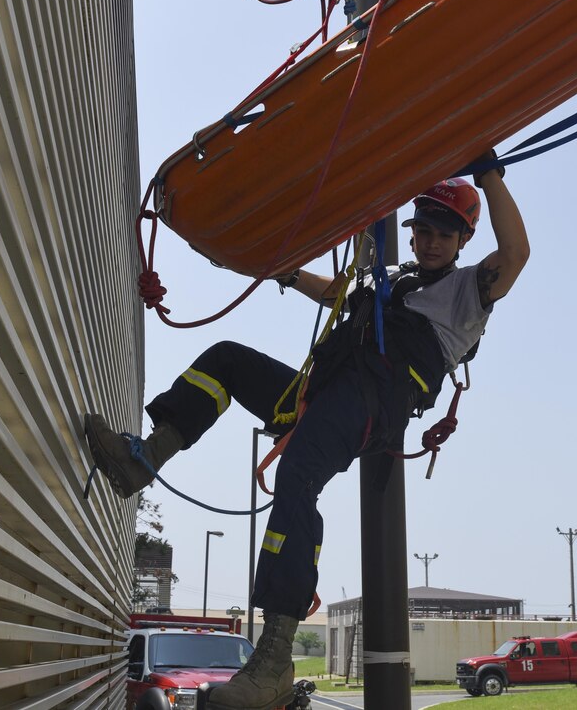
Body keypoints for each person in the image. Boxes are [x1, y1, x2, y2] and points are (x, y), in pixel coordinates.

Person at [83, 155, 529, 710]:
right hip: (322, 392)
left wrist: (488, 172)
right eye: (423, 231)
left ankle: (274, 655)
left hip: (372, 401)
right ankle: (143, 459)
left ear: (463, 240)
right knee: (227, 360)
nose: (430, 242)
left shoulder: (468, 293)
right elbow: (336, 294)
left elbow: (515, 255)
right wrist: (286, 273)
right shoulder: (390, 279)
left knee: (298, 478)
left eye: (444, 234)